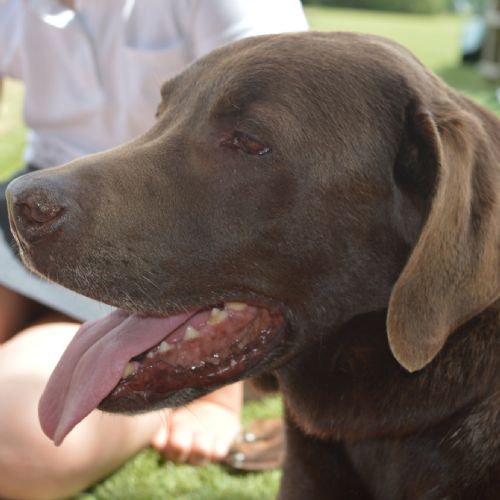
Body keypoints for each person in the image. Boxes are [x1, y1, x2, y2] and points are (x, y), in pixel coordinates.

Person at [0, 1, 308, 498]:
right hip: (34, 204)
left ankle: (89, 355)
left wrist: (214, 387)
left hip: (158, 240)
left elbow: (280, 153)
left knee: (15, 444)